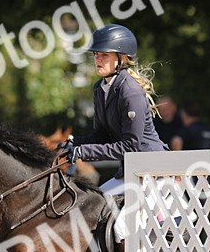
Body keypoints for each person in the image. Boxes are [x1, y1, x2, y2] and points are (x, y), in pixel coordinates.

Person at [60, 24, 168, 193]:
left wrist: (83, 152)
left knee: (111, 214)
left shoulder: (131, 92)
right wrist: (73, 143)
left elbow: (130, 146)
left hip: (154, 173)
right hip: (131, 171)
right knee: (96, 204)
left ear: (122, 58)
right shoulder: (100, 89)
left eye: (104, 55)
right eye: (96, 54)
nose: (98, 59)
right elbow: (102, 135)